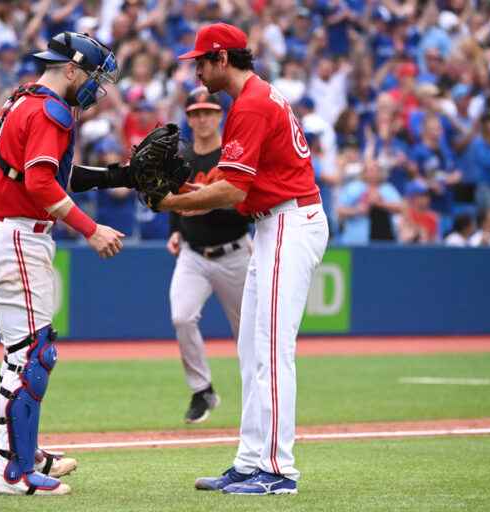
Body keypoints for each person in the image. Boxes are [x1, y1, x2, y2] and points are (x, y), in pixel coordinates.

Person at [160, 23, 329, 495]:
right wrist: (187, 192)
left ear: (222, 59)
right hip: (273, 221)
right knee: (253, 350)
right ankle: (251, 459)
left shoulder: (251, 103)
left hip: (289, 222)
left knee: (272, 351)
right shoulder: (253, 97)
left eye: (200, 61)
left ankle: (278, 471)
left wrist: (169, 203)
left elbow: (233, 190)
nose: (196, 69)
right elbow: (239, 191)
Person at [0, 31, 124, 497]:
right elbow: (40, 183)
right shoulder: (51, 110)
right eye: (94, 76)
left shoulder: (25, 100)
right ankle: (12, 472)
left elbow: (51, 171)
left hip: (0, 230)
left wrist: (118, 175)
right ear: (71, 70)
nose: (98, 87)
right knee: (35, 356)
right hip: (16, 235)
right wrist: (91, 229)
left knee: (20, 355)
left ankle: (24, 452)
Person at [167, 86, 250, 424]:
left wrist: (209, 200)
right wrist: (175, 228)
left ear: (220, 116)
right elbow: (173, 197)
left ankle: (258, 394)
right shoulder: (181, 157)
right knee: (182, 317)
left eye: (208, 112)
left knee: (246, 330)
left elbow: (246, 204)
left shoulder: (232, 155)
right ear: (188, 118)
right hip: (194, 253)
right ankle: (202, 389)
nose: (202, 118)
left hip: (235, 252)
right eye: (196, 113)